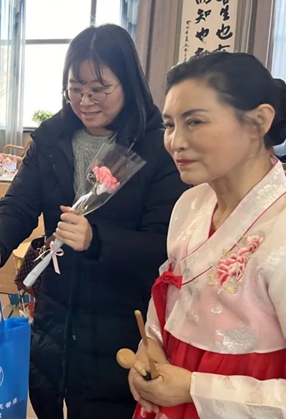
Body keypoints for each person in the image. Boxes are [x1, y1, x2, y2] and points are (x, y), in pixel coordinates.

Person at [0, 24, 188, 418]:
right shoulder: (52, 138)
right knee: (48, 395)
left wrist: (96, 239)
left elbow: (164, 245)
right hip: (55, 313)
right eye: (75, 88)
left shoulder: (157, 148)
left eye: (99, 89)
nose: (85, 101)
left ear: (128, 83)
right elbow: (19, 203)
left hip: (121, 320)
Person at [128, 52, 286, 418]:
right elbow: (170, 303)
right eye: (169, 125)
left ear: (258, 122)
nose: (175, 141)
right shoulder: (190, 204)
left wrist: (194, 388)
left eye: (195, 122)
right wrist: (149, 348)